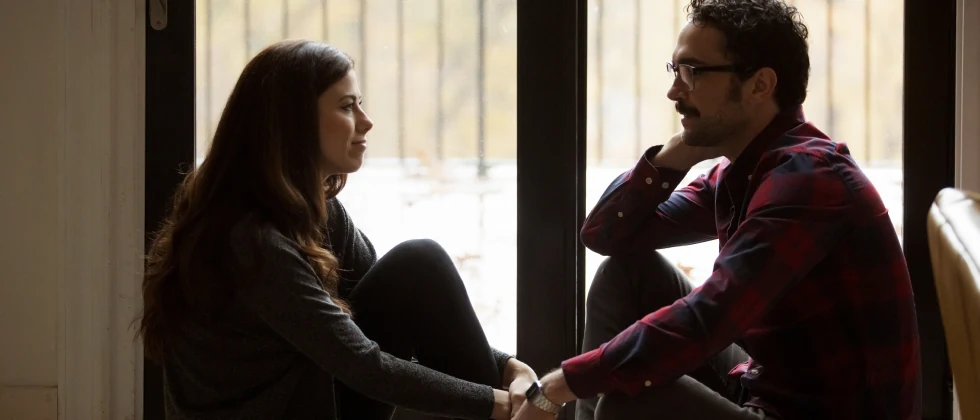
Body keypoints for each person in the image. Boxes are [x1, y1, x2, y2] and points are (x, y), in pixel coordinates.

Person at [512, 0, 921, 419]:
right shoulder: (746, 171)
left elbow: (708, 317)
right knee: (628, 277)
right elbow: (605, 236)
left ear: (760, 85)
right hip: (768, 385)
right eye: (674, 71)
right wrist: (668, 159)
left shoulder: (808, 182)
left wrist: (560, 384)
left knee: (633, 403)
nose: (674, 91)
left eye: (693, 71)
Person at [135, 39, 537, 420]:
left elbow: (413, 313)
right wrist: (502, 404)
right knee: (420, 259)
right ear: (293, 123)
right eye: (347, 107)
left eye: (360, 104)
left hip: (310, 402)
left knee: (416, 269)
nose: (366, 121)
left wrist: (508, 368)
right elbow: (363, 365)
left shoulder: (321, 213)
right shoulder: (250, 242)